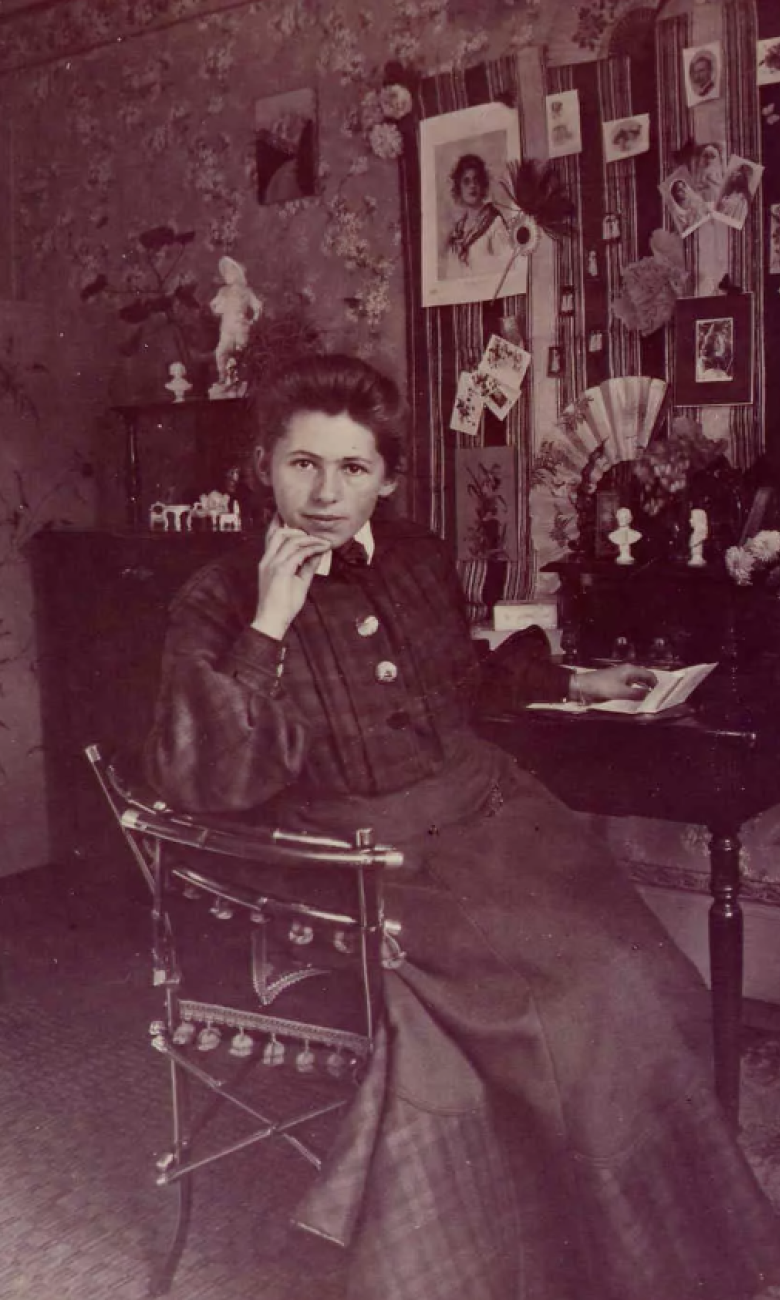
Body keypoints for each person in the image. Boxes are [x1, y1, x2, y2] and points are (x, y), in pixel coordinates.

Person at [145, 354, 780, 1300]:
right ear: (263, 466)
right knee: (578, 1007)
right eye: (302, 464)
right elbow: (206, 779)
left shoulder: (415, 555)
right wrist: (271, 622)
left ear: (388, 477)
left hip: (490, 819)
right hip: (363, 858)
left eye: (353, 468)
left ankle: (659, 1257)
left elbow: (459, 687)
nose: (325, 494)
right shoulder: (217, 597)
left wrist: (575, 681)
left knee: (649, 979)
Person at [443, 153, 511, 279]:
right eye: (466, 181)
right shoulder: (457, 232)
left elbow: (507, 267)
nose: (472, 186)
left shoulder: (495, 223)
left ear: (483, 185)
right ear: (459, 188)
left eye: (476, 180)